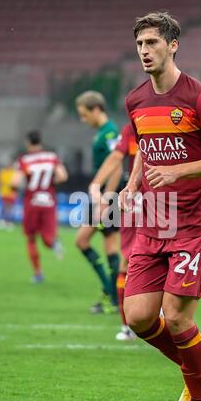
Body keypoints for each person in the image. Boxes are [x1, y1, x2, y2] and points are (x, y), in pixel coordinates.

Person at [120, 12, 201, 401]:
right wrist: (134, 182)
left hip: (193, 225)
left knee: (175, 316)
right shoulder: (136, 100)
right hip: (153, 221)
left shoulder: (199, 97)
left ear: (173, 45)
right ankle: (200, 364)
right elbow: (144, 145)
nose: (144, 51)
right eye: (139, 45)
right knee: (136, 316)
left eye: (152, 43)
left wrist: (177, 171)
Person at [89, 123, 138, 340]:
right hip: (135, 198)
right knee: (127, 261)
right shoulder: (130, 129)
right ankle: (127, 326)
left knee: (163, 258)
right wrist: (96, 185)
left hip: (166, 200)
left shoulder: (168, 124)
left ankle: (162, 313)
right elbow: (117, 157)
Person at [75, 91, 122, 314]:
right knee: (83, 240)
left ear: (96, 109)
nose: (83, 120)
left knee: (107, 244)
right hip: (102, 196)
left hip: (107, 197)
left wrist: (107, 198)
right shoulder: (103, 132)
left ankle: (113, 297)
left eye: (84, 115)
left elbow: (118, 165)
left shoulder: (110, 132)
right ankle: (110, 292)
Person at [12, 130, 68, 283]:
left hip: (32, 201)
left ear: (28, 142)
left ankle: (38, 274)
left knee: (31, 238)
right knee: (47, 238)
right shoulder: (52, 157)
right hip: (49, 200)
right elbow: (63, 176)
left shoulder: (24, 160)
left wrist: (16, 188)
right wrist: (49, 183)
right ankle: (54, 243)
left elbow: (15, 182)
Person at [0, 158, 17, 230]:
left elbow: (16, 184)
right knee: (4, 207)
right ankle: (1, 220)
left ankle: (9, 221)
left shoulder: (14, 173)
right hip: (4, 192)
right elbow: (0, 182)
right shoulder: (3, 172)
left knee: (11, 208)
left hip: (12, 193)